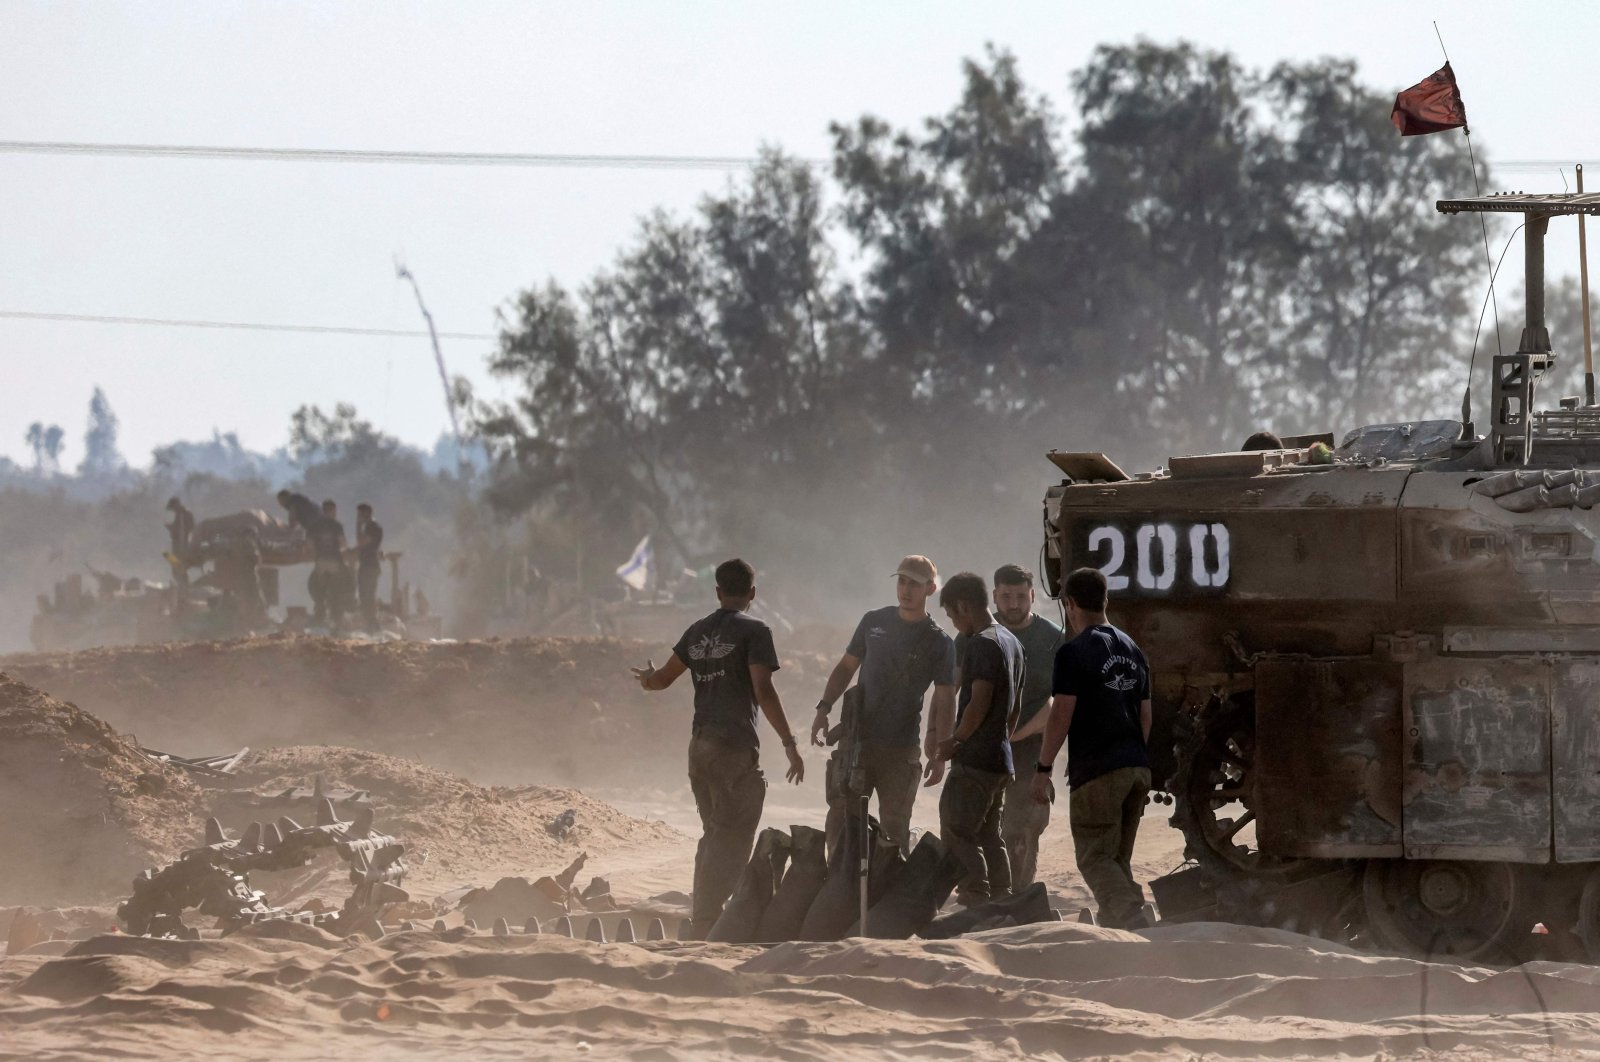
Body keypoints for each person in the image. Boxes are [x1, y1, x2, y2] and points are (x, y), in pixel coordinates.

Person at [631, 558, 804, 938]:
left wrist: (646, 680)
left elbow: (662, 679)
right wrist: (790, 742)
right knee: (733, 832)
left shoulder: (697, 631)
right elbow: (764, 689)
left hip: (699, 749)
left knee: (714, 833)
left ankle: (707, 915)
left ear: (717, 592)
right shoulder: (756, 630)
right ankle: (710, 922)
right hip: (732, 747)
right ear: (752, 594)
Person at [1031, 567, 1153, 929]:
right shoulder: (1135, 649)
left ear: (1069, 604)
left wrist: (1043, 768)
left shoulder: (1074, 652)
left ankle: (1133, 917)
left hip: (1098, 769)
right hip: (1136, 766)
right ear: (1105, 600)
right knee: (1116, 859)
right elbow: (1146, 716)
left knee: (1094, 859)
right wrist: (1132, 755)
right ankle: (1122, 927)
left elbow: (1061, 714)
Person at [810, 555, 956, 856]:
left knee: (894, 828)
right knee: (841, 820)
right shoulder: (874, 621)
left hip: (900, 748)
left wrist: (942, 751)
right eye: (901, 581)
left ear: (930, 589)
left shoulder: (939, 642)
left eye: (914, 584)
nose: (905, 589)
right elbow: (846, 667)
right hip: (857, 742)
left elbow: (945, 699)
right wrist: (823, 708)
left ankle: (887, 898)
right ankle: (838, 891)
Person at [932, 572, 1024, 906]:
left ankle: (976, 896)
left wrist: (955, 741)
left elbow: (978, 701)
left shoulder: (982, 643)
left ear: (964, 606)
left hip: (975, 760)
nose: (954, 623)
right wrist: (1001, 742)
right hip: (1000, 759)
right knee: (988, 833)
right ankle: (1003, 897)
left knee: (956, 830)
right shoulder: (1011, 642)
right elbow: (1015, 708)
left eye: (952, 614)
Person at [985, 564, 1065, 888]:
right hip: (985, 745)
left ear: (1033, 595)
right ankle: (988, 896)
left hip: (1033, 745)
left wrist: (1021, 731)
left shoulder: (1051, 639)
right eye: (1006, 596)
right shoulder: (979, 635)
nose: (1014, 604)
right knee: (983, 826)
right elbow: (955, 685)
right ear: (995, 596)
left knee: (1023, 828)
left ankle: (1017, 897)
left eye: (1021, 596)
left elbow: (1061, 700)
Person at [308, 499, 349, 627]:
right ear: (333, 510)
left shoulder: (315, 525)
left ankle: (320, 617)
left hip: (321, 561)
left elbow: (309, 543)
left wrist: (316, 553)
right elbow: (343, 543)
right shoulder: (337, 525)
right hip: (334, 561)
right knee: (336, 590)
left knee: (320, 590)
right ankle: (337, 620)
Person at [355, 503, 384, 632]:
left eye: (360, 514)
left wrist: (358, 526)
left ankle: (373, 626)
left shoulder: (372, 527)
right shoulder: (373, 527)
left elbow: (362, 541)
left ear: (366, 513)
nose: (359, 516)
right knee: (367, 596)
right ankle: (371, 625)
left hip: (369, 565)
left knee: (367, 596)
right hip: (369, 565)